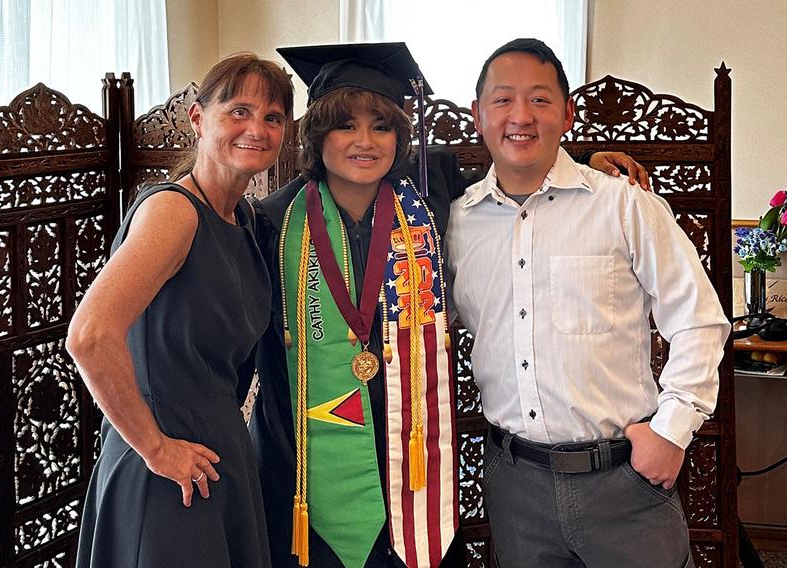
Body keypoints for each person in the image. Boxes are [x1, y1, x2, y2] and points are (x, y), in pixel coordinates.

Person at [251, 42, 650, 568]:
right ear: (317, 135)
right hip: (308, 463)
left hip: (412, 456)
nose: (364, 142)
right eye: (344, 125)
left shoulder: (433, 193)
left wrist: (593, 161)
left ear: (401, 135)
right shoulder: (272, 224)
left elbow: (520, 174)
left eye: (382, 126)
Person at [446, 38, 730, 568]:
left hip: (623, 483)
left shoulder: (625, 204)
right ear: (477, 115)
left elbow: (699, 321)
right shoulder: (455, 223)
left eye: (540, 99)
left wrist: (670, 432)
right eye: (502, 99)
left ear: (568, 113)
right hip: (515, 485)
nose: (521, 116)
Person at [66, 53, 293, 568]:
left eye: (272, 118)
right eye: (238, 111)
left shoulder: (246, 221)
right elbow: (89, 336)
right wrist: (156, 449)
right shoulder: (174, 212)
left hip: (217, 452)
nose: (256, 129)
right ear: (197, 118)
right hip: (168, 469)